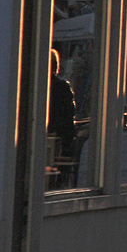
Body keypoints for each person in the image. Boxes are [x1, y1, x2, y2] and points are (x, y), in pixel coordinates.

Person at [48, 48, 78, 189]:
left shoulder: (34, 87)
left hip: (53, 139)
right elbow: (70, 114)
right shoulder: (62, 87)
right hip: (60, 140)